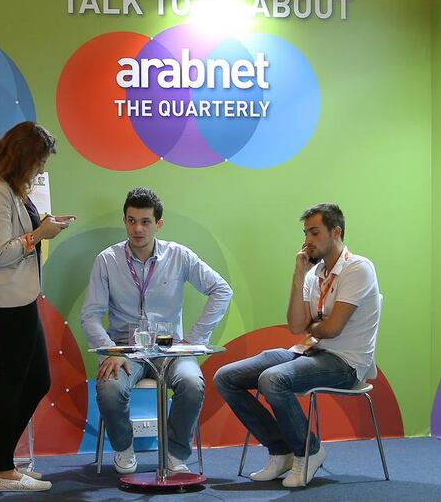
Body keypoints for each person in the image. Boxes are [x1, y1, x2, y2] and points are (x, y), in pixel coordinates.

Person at [214, 203, 380, 488]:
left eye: (315, 232)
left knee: (273, 379)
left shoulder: (358, 268)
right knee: (226, 378)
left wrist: (313, 324)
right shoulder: (314, 274)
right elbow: (294, 325)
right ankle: (282, 451)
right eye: (305, 233)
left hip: (346, 363)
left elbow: (331, 328)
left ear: (336, 232)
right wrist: (298, 275)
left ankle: (310, 451)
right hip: (307, 352)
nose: (307, 240)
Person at [81, 187, 233, 474]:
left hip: (171, 348)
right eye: (131, 220)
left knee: (192, 383)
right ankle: (124, 450)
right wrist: (111, 351)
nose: (137, 228)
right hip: (125, 349)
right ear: (124, 220)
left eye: (145, 221)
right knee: (110, 388)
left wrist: (194, 340)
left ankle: (175, 454)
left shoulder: (179, 255)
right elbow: (90, 314)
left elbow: (221, 290)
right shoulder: (107, 260)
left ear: (158, 224)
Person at [0, 121, 75, 492]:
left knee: (35, 380)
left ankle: (3, 464)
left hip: (18, 297)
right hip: (4, 300)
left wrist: (43, 226)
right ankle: (3, 469)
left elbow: (16, 237)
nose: (41, 170)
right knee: (16, 381)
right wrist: (39, 235)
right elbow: (0, 253)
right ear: (23, 157)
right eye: (39, 162)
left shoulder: (8, 189)